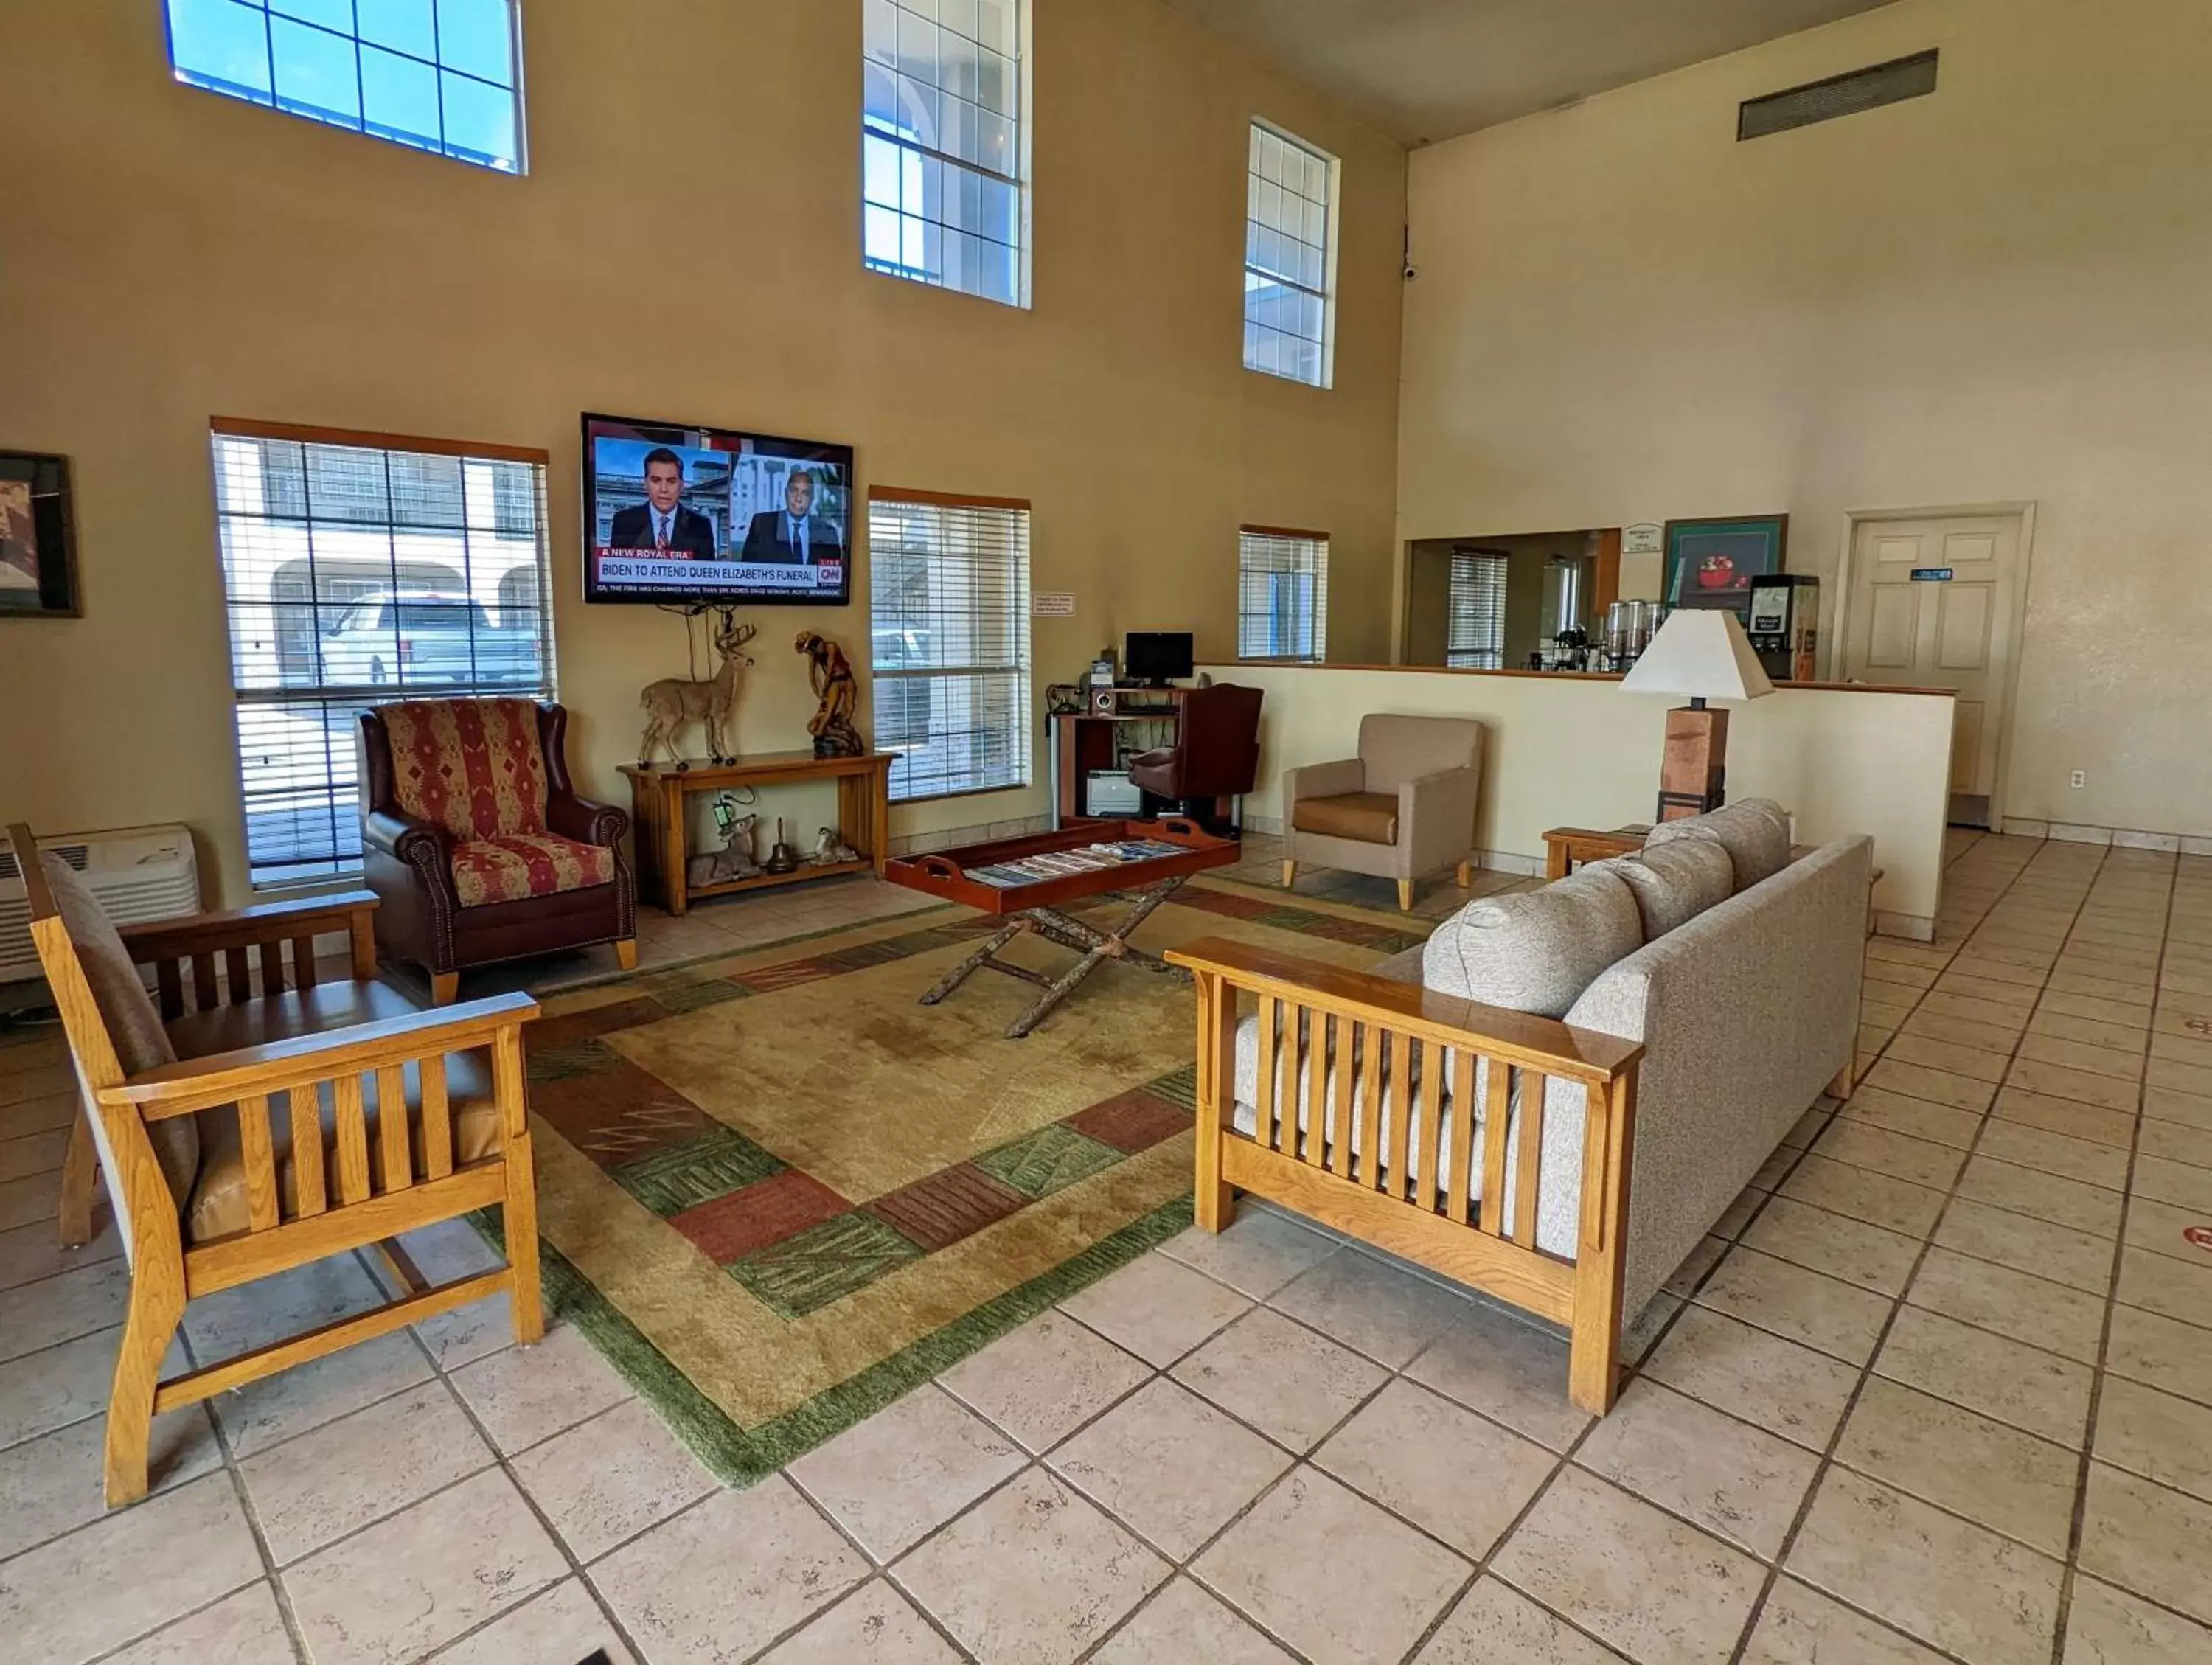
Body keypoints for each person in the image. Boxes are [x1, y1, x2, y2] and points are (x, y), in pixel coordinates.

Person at [608, 448, 718, 557]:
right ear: (646, 484)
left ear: (681, 486)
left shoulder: (701, 526)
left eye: (671, 481)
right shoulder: (623, 521)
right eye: (656, 480)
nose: (664, 489)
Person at [742, 470, 844, 566]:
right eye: (794, 490)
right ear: (786, 493)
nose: (798, 498)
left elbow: (834, 576)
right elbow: (747, 571)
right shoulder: (762, 525)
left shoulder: (828, 533)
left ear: (812, 498)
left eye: (805, 493)